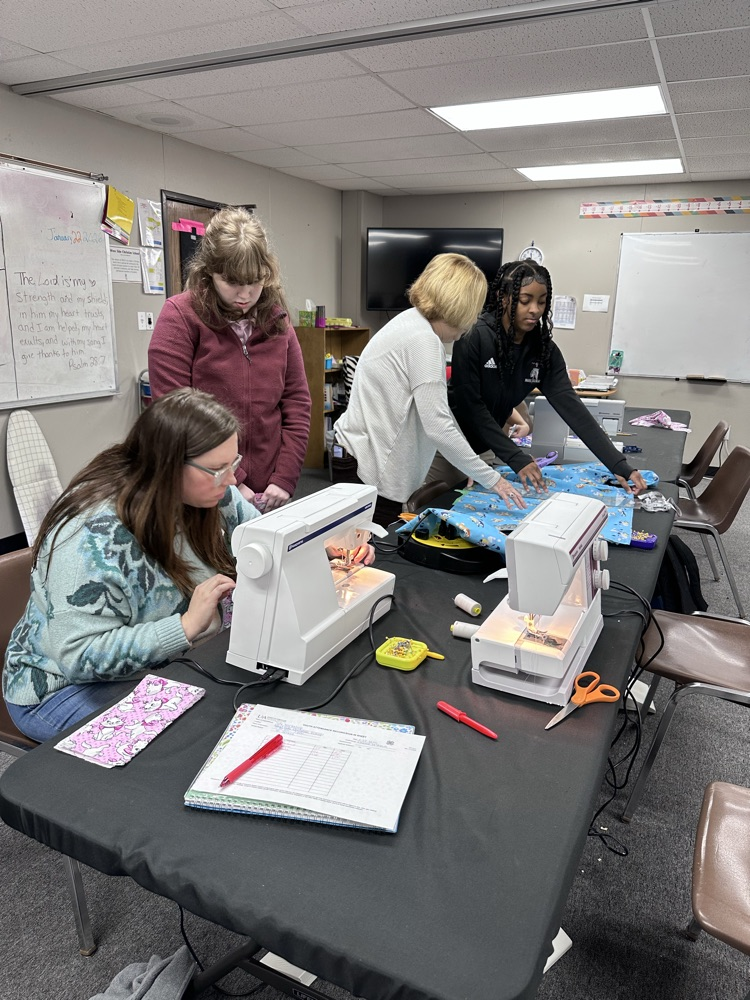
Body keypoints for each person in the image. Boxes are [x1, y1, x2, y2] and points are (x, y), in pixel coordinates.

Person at [2, 389, 373, 743]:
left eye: (234, 464)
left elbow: (265, 542)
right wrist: (183, 626)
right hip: (62, 686)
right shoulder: (90, 539)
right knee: (187, 741)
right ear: (167, 467)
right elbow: (78, 656)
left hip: (157, 666)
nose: (231, 481)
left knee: (225, 715)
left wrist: (324, 552)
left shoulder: (216, 494)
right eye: (217, 469)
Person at [333, 253, 526, 527]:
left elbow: (440, 414)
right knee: (370, 554)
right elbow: (438, 426)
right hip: (366, 468)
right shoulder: (423, 340)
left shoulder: (412, 324)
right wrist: (492, 479)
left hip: (358, 458)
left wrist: (469, 464)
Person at [433, 259, 648, 495]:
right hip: (447, 445)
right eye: (525, 301)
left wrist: (618, 464)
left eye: (542, 302)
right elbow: (471, 408)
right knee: (431, 506)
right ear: (504, 298)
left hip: (486, 447)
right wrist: (516, 457)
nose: (535, 309)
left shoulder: (543, 351)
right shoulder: (474, 336)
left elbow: (572, 408)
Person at [148, 207, 311, 512]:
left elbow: (297, 404)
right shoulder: (180, 317)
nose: (245, 294)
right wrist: (233, 479)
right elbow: (175, 414)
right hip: (205, 490)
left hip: (270, 491)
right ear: (209, 272)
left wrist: (285, 478)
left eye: (255, 281)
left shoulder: (278, 323)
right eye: (232, 282)